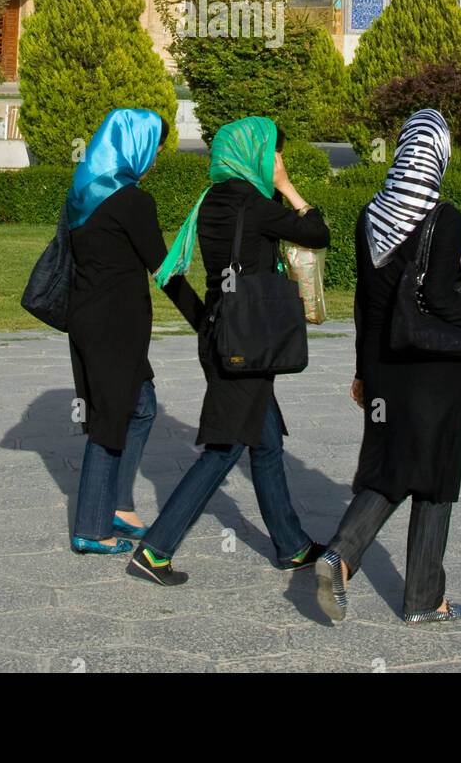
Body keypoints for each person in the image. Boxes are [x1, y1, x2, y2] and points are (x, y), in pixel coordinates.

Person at [315, 108, 461, 624]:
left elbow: (364, 303)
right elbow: (445, 299)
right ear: (439, 155)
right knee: (436, 477)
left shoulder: (369, 214)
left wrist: (361, 372)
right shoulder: (443, 217)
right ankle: (424, 598)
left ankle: (340, 555)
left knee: (391, 468)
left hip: (383, 366)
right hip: (434, 370)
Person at [129, 116, 330, 586]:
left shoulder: (211, 199)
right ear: (255, 153)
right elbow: (317, 232)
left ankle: (291, 545)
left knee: (265, 443)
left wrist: (205, 321)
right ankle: (155, 550)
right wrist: (289, 186)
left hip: (224, 333)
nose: (277, 160)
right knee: (224, 449)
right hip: (248, 341)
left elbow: (174, 272)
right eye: (273, 152)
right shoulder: (255, 205)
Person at [66, 108, 203, 555]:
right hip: (116, 325)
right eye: (157, 145)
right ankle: (90, 526)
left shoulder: (83, 193)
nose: (160, 154)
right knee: (113, 416)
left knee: (140, 405)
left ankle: (119, 505)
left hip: (87, 318)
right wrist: (205, 322)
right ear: (137, 146)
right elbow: (165, 271)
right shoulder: (132, 201)